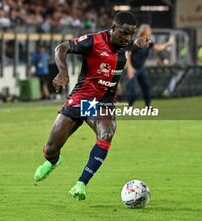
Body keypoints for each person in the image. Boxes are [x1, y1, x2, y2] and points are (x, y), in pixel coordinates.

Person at [33, 12, 151, 200]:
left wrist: (137, 44)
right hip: (81, 99)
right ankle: (53, 162)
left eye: (131, 34)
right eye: (124, 33)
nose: (128, 38)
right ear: (113, 29)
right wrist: (63, 72)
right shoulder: (93, 41)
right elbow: (61, 48)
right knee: (50, 149)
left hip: (103, 102)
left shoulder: (124, 42)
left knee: (106, 133)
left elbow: (130, 44)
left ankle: (81, 184)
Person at [126, 24, 174, 107]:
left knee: (146, 87)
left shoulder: (148, 41)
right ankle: (130, 106)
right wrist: (130, 68)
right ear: (144, 31)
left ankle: (148, 106)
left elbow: (158, 48)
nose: (150, 31)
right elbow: (128, 55)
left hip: (141, 68)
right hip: (133, 68)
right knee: (132, 89)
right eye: (149, 30)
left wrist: (167, 44)